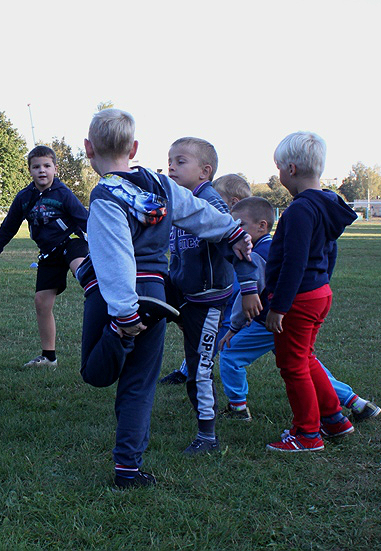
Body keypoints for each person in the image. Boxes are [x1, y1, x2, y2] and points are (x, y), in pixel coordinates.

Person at [76, 109, 253, 488]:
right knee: (139, 385)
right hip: (155, 296)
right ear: (135, 148)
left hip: (119, 299)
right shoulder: (160, 184)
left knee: (94, 373)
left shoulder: (105, 195)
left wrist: (123, 315)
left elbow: (115, 256)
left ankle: (118, 338)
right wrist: (233, 232)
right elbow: (199, 212)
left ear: (88, 149)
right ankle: (127, 470)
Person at [217, 196, 381, 423]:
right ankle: (357, 403)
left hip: (269, 321)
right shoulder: (277, 246)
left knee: (229, 353)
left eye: (240, 225)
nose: (236, 230)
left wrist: (234, 327)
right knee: (306, 362)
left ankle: (238, 408)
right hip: (292, 314)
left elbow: (247, 297)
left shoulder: (256, 255)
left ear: (262, 225)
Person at [161, 139, 261, 456]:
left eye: (180, 161)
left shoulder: (211, 204)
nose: (171, 167)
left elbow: (238, 246)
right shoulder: (181, 199)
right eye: (169, 161)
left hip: (208, 301)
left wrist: (248, 290)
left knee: (200, 368)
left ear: (205, 171)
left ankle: (208, 435)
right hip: (183, 293)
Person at [262, 131, 358, 452]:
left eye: (278, 168)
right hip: (318, 293)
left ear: (290, 169)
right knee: (306, 357)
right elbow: (329, 253)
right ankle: (334, 419)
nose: (278, 175)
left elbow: (294, 262)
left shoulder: (301, 209)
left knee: (292, 365)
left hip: (299, 298)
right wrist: (322, 283)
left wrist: (280, 306)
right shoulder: (328, 204)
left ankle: (307, 434)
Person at [0, 145, 89, 368]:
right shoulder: (24, 198)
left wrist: (105, 243)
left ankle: (108, 304)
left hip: (71, 242)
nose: (42, 170)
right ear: (30, 170)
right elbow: (8, 227)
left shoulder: (64, 194)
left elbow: (85, 219)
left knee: (81, 270)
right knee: (41, 302)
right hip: (49, 253)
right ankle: (49, 357)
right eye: (36, 166)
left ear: (55, 169)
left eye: (47, 166)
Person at [160, 173, 254, 387]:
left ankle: (195, 373)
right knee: (204, 335)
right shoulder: (208, 226)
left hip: (230, 298)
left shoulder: (236, 239)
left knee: (212, 334)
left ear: (232, 203)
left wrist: (250, 292)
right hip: (201, 295)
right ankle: (188, 370)